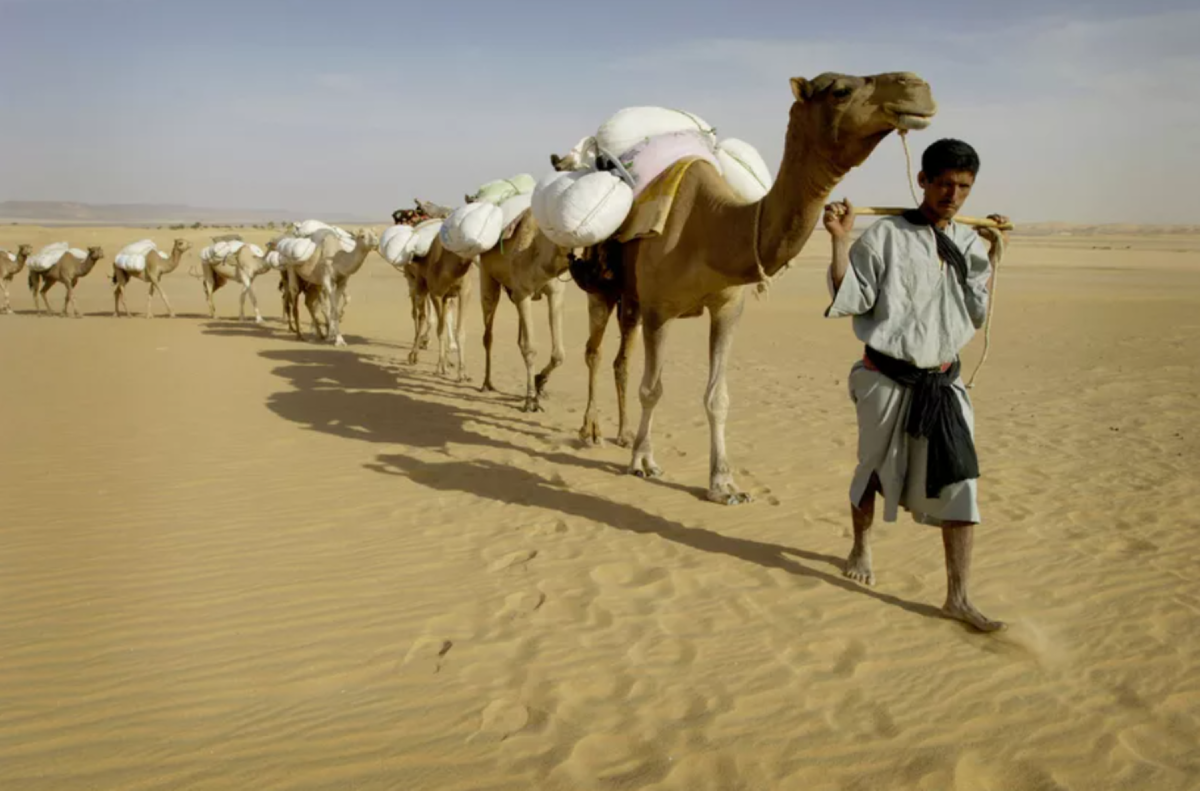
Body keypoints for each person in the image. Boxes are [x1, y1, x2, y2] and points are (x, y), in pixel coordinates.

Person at [823, 138, 1009, 632]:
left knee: (962, 484)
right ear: (923, 180)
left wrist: (990, 250)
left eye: (964, 186)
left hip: (944, 384)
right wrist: (841, 240)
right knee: (874, 470)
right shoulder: (884, 235)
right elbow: (853, 298)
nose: (953, 194)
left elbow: (972, 308)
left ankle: (958, 596)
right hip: (885, 377)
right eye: (944, 182)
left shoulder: (969, 241)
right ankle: (861, 546)